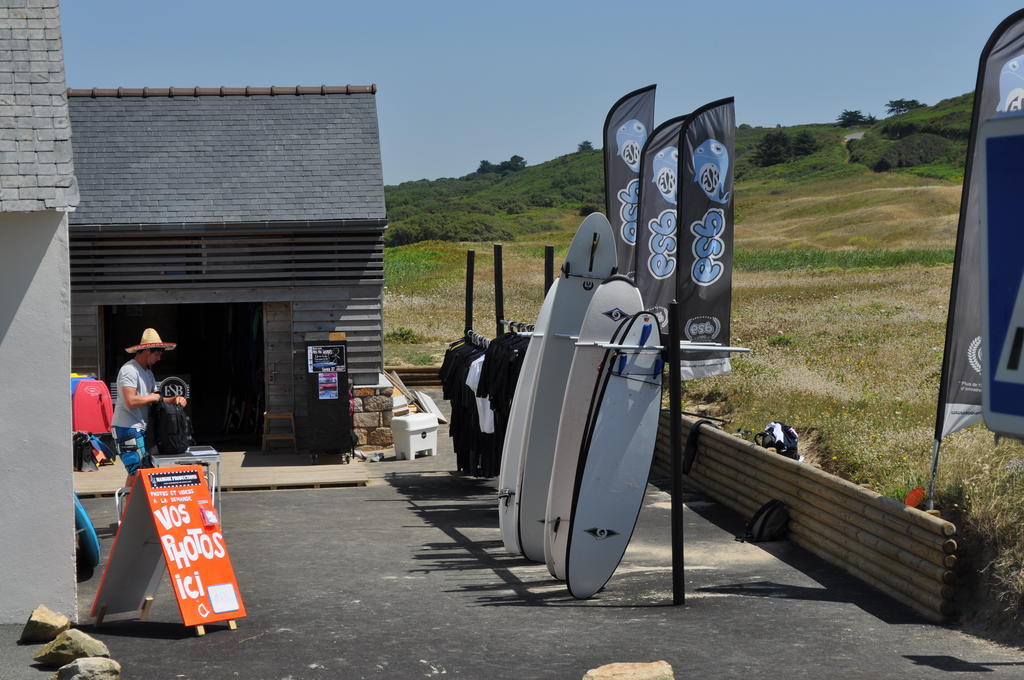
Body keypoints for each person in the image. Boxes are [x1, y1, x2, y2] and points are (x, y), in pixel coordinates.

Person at [112, 328, 187, 475]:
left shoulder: (147, 372)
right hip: (128, 429)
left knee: (140, 472)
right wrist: (155, 397)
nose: (159, 358)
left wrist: (173, 400)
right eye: (157, 354)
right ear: (147, 351)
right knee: (139, 472)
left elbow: (155, 398)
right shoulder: (129, 370)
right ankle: (130, 498)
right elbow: (131, 401)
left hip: (138, 429)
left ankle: (130, 498)